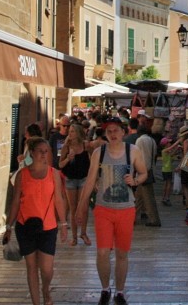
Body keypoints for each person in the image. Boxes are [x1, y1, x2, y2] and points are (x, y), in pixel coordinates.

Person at [74, 115, 148, 305]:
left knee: (122, 253)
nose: (113, 134)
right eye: (109, 131)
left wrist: (136, 180)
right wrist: (80, 207)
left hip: (126, 209)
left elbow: (143, 172)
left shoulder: (133, 151)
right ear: (105, 134)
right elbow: (90, 180)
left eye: (116, 130)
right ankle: (105, 288)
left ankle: (120, 291)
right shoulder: (99, 152)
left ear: (123, 132)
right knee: (102, 252)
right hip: (103, 209)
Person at [4, 137, 68, 305]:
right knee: (31, 266)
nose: (43, 155)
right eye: (40, 151)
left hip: (48, 226)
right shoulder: (22, 175)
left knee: (47, 269)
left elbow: (59, 199)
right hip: (25, 225)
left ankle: (46, 290)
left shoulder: (54, 174)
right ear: (31, 153)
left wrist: (63, 223)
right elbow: (16, 201)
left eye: (46, 151)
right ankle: (36, 302)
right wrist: (9, 226)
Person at [57, 123, 92, 246]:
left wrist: (94, 179)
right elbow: (60, 165)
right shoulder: (66, 147)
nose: (69, 133)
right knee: (73, 208)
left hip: (83, 178)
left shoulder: (85, 145)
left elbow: (92, 161)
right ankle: (74, 237)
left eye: (72, 131)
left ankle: (83, 233)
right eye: (69, 131)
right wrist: (68, 158)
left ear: (78, 133)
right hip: (70, 179)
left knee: (84, 207)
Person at [133, 120, 160, 227]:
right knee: (139, 198)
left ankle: (154, 219)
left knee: (147, 198)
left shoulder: (139, 141)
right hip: (149, 170)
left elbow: (137, 156)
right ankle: (131, 217)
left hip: (142, 172)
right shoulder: (152, 140)